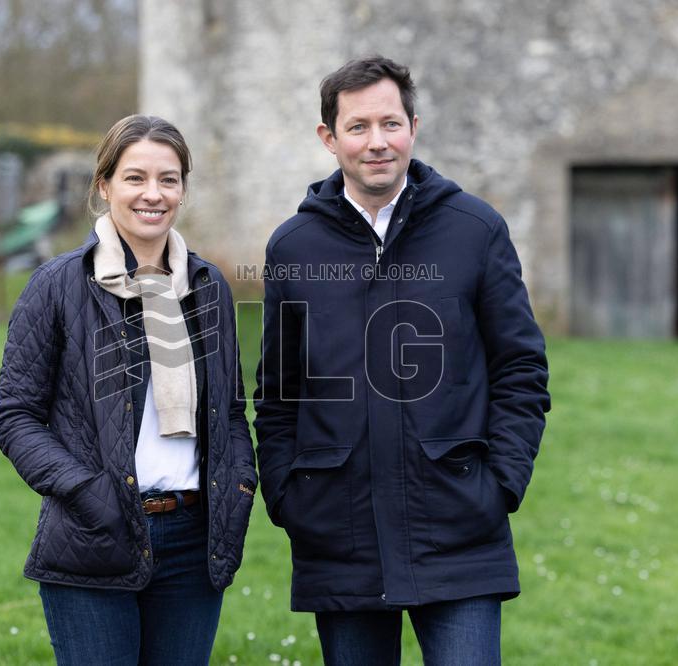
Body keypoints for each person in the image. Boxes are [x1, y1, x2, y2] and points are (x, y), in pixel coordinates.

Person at [254, 56, 550, 665]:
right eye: (358, 127)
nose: (377, 142)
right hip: (339, 533)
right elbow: (279, 392)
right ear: (328, 138)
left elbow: (520, 368)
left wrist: (501, 485)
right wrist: (289, 495)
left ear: (413, 126)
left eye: (391, 123)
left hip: (460, 524)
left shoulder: (476, 230)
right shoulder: (293, 247)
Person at [0, 114, 257, 666]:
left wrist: (237, 489)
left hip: (193, 541)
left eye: (169, 179)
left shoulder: (209, 290)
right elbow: (15, 415)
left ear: (183, 188)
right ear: (104, 185)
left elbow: (229, 411)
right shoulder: (58, 286)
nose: (153, 194)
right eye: (135, 178)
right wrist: (89, 494)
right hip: (94, 535)